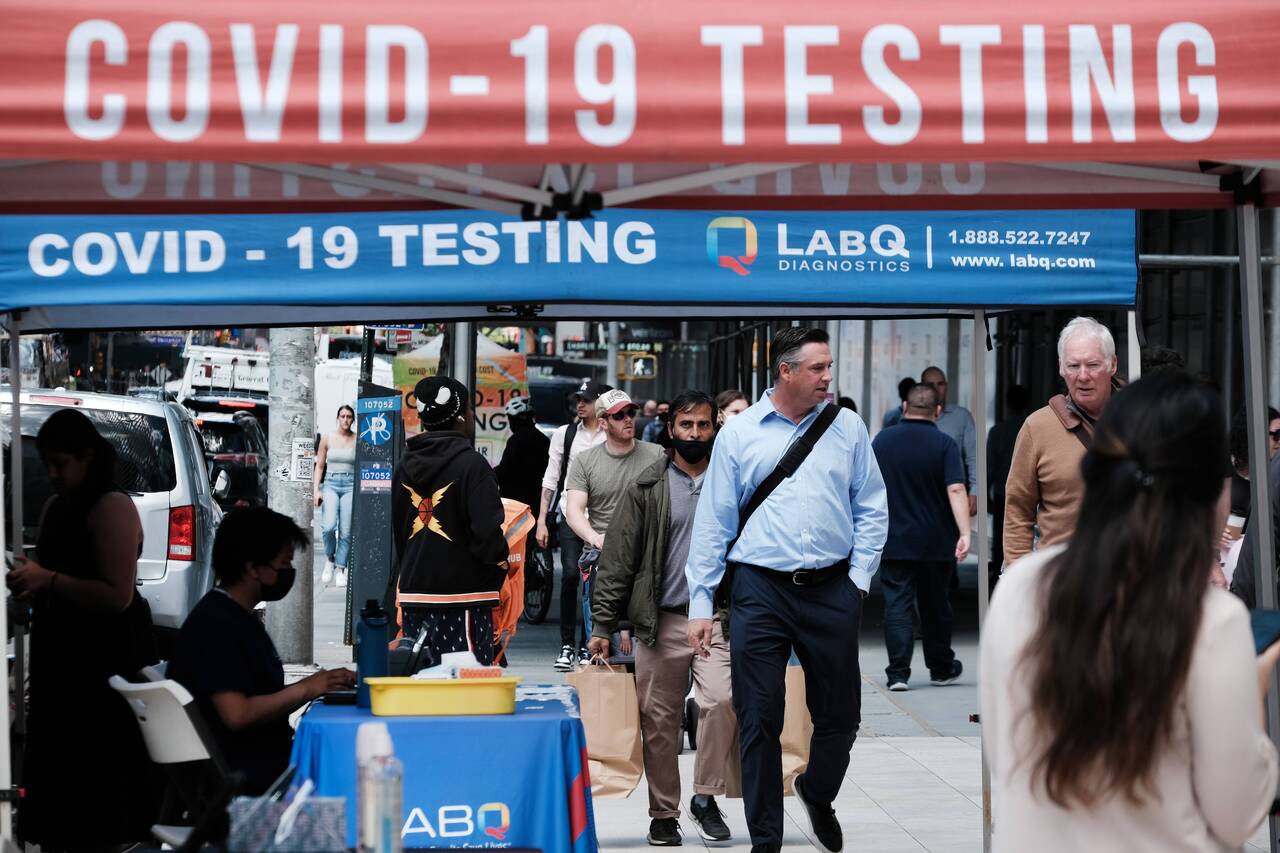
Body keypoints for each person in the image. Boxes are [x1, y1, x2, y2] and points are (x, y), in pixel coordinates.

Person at [981, 372, 1279, 852]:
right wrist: (1256, 688)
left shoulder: (1018, 589)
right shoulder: (1211, 619)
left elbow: (1003, 751)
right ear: (1207, 493)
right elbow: (1236, 813)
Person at [686, 326, 888, 853]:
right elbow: (714, 523)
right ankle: (766, 841)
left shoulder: (846, 426)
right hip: (760, 590)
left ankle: (816, 792)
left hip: (832, 588)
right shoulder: (740, 433)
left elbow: (871, 505)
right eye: (818, 368)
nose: (828, 377)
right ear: (786, 371)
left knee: (841, 718)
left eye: (829, 367)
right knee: (758, 718)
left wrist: (858, 581)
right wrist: (701, 602)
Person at [7, 409, 161, 848]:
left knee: (95, 795)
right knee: (62, 795)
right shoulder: (56, 506)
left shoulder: (112, 506)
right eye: (47, 464)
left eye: (61, 463)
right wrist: (30, 586)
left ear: (88, 456)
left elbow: (117, 595)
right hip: (60, 663)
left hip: (100, 666)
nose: (53, 474)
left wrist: (48, 580)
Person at [590, 390, 735, 846]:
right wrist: (603, 625)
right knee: (659, 722)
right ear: (670, 429)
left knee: (720, 702)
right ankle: (663, 814)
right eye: (686, 425)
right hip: (660, 620)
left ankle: (705, 797)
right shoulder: (647, 486)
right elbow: (618, 560)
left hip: (716, 619)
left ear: (715, 429)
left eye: (704, 425)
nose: (695, 434)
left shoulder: (731, 484)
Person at [168, 507, 356, 795]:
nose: (289, 572)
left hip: (261, 761)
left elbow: (259, 696)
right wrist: (308, 688)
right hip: (249, 774)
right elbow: (238, 714)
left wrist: (318, 685)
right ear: (253, 567)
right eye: (284, 563)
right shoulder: (217, 625)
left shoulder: (236, 616)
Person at [391, 376, 510, 666]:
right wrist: (496, 570)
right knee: (466, 684)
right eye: (469, 408)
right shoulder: (473, 465)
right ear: (460, 417)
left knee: (420, 680)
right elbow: (488, 533)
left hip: (415, 596)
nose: (472, 414)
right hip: (465, 598)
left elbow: (399, 531)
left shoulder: (403, 465)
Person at [872, 383, 969, 692]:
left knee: (897, 606)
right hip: (935, 542)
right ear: (937, 411)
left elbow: (868, 486)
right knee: (935, 605)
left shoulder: (883, 441)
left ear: (904, 407)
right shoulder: (944, 444)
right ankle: (940, 668)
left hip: (894, 539)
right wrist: (965, 532)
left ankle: (898, 674)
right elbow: (956, 488)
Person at [1004, 316, 1119, 565]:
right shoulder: (1037, 428)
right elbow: (1018, 511)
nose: (1083, 376)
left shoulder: (1143, 418)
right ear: (1060, 368)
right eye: (1073, 366)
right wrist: (1018, 576)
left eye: (1093, 365)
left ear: (1113, 364)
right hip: (1061, 579)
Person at [565, 389, 665, 645]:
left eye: (630, 413)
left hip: (647, 561)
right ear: (602, 423)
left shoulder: (657, 455)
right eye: (619, 416)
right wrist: (595, 538)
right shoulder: (585, 461)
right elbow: (574, 510)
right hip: (603, 561)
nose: (628, 419)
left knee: (648, 643)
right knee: (601, 644)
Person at [538, 378, 610, 670]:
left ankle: (587, 644)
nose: (580, 404)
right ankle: (567, 644)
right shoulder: (564, 435)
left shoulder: (611, 433)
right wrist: (542, 520)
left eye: (587, 400)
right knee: (570, 576)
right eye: (578, 399)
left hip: (602, 518)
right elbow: (551, 477)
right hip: (571, 515)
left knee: (594, 584)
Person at [921, 366, 978, 517]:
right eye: (930, 385)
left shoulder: (962, 416)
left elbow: (974, 456)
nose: (936, 389)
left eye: (940, 384)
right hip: (920, 497)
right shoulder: (911, 419)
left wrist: (975, 490)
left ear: (946, 387)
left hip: (953, 496)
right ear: (922, 388)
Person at [987, 384, 1031, 575]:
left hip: (1002, 492)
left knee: (1001, 533)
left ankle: (1000, 571)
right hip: (1029, 492)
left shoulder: (998, 431)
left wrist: (985, 495)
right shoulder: (1033, 429)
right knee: (1026, 532)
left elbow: (990, 466)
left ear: (1007, 404)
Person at [313, 404, 356, 588]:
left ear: (353, 420)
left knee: (346, 531)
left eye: (349, 416)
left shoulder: (357, 439)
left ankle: (340, 568)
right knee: (329, 527)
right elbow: (320, 466)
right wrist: (316, 489)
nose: (345, 419)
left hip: (350, 485)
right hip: (331, 484)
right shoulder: (327, 438)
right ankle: (330, 558)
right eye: (342, 416)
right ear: (338, 418)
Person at [495, 395, 550, 514]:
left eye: (511, 419)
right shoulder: (544, 440)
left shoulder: (515, 440)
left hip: (514, 505)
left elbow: (505, 469)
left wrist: (488, 475)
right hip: (536, 503)